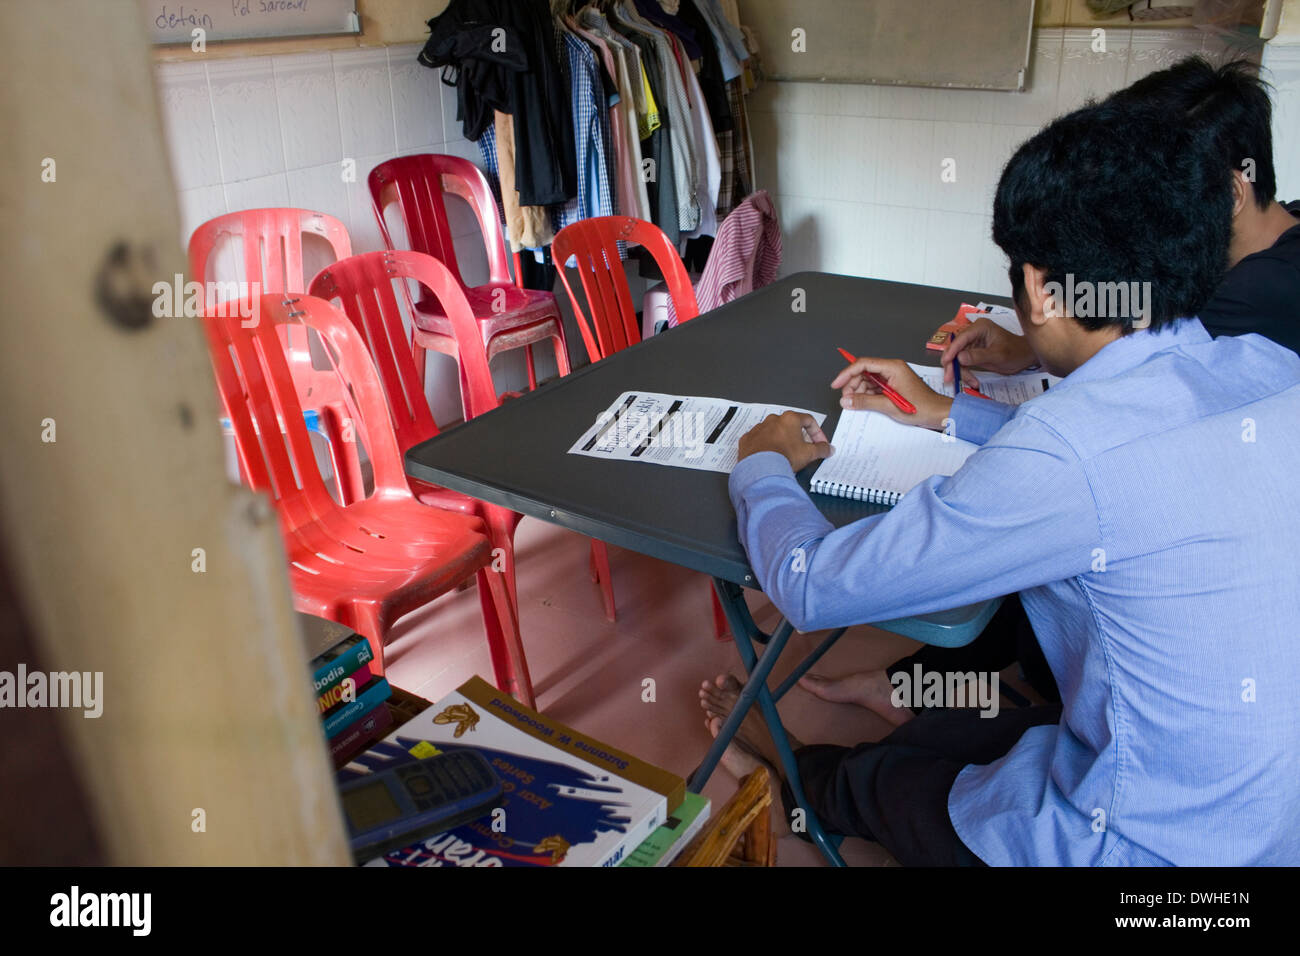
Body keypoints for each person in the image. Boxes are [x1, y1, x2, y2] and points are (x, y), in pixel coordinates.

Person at [703, 97, 1300, 866]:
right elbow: (1126, 458)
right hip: (1271, 829)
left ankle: (789, 785)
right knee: (967, 725)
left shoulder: (1068, 452)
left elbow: (811, 584)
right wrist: (949, 414)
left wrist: (760, 460)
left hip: (1158, 866)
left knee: (890, 778)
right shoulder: (1267, 366)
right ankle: (896, 723)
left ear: (1043, 292)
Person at [806, 55, 1300, 721]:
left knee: (1026, 561)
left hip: (1185, 632)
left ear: (1230, 192)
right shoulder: (1267, 252)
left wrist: (958, 404)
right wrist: (1025, 347)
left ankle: (900, 727)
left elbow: (1108, 451)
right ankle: (915, 692)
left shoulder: (1246, 314)